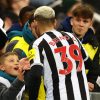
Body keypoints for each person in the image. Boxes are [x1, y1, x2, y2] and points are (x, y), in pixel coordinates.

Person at [25, 6, 92, 100]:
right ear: (55, 22)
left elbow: (35, 75)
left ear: (36, 23)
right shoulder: (71, 37)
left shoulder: (37, 44)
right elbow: (88, 63)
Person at [58, 4, 100, 92]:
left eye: (85, 21)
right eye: (78, 20)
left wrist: (90, 83)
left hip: (83, 91)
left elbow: (94, 71)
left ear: (90, 24)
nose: (81, 24)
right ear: (71, 21)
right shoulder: (57, 39)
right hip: (60, 90)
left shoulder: (94, 45)